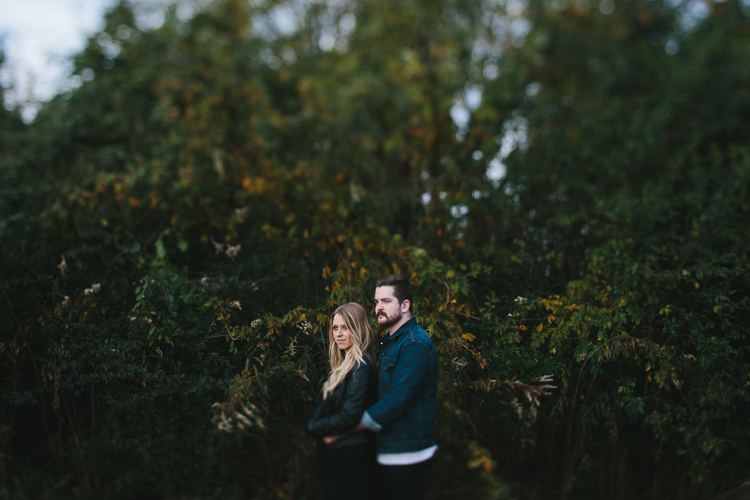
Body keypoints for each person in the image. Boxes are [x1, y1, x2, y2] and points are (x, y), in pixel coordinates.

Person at [332, 274, 439, 500]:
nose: (379, 308)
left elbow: (397, 399)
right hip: (386, 448)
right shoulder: (389, 343)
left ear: (405, 305)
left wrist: (348, 426)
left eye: (386, 301)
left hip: (406, 453)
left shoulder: (414, 344)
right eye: (377, 302)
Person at [306, 302, 378, 500]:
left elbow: (349, 416)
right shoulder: (342, 367)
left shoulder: (361, 367)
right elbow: (324, 405)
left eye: (345, 327)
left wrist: (315, 428)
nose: (338, 333)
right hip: (337, 456)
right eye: (335, 328)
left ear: (358, 329)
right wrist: (317, 427)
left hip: (352, 458)